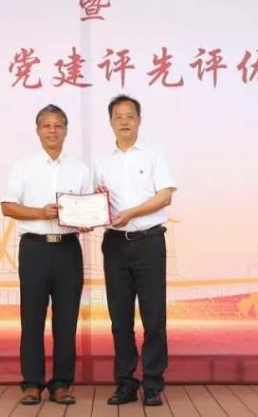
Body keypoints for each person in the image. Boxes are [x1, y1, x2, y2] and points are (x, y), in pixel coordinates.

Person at [1, 104, 91, 406]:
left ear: (66, 131)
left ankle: (61, 384)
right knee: (32, 319)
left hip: (68, 249)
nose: (52, 131)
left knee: (66, 321)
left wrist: (87, 219)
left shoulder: (79, 169)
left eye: (58, 125)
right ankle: (32, 383)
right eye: (46, 125)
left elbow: (88, 208)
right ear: (38, 130)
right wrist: (40, 213)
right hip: (34, 248)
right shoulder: (23, 166)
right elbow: (8, 206)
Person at [95, 95, 177, 407]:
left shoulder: (155, 154)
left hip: (149, 242)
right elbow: (96, 201)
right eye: (118, 117)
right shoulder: (102, 162)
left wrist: (131, 213)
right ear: (111, 122)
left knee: (154, 318)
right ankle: (126, 384)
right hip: (115, 244)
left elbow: (165, 196)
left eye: (130, 116)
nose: (124, 122)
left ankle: (153, 383)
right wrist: (94, 205)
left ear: (139, 120)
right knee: (120, 320)